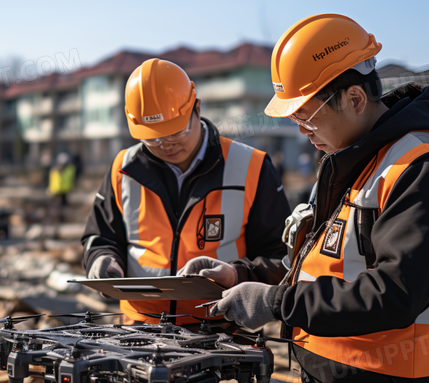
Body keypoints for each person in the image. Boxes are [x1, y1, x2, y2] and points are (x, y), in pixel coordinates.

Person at [179, 14, 429, 383]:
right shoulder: (354, 162)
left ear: (355, 98)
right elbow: (324, 267)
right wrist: (242, 274)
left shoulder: (425, 171)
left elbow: (394, 293)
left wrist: (274, 303)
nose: (304, 135)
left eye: (307, 120)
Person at [82, 58, 290, 325]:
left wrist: (238, 274)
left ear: (197, 108)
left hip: (221, 331)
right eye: (153, 137)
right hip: (139, 329)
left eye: (176, 131)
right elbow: (100, 236)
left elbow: (283, 257)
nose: (166, 144)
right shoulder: (123, 168)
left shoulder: (253, 167)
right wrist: (102, 258)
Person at [49, 152, 76, 223]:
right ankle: (58, 220)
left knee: (62, 207)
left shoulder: (56, 170)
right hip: (58, 191)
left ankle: (62, 220)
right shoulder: (57, 170)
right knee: (58, 207)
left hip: (62, 191)